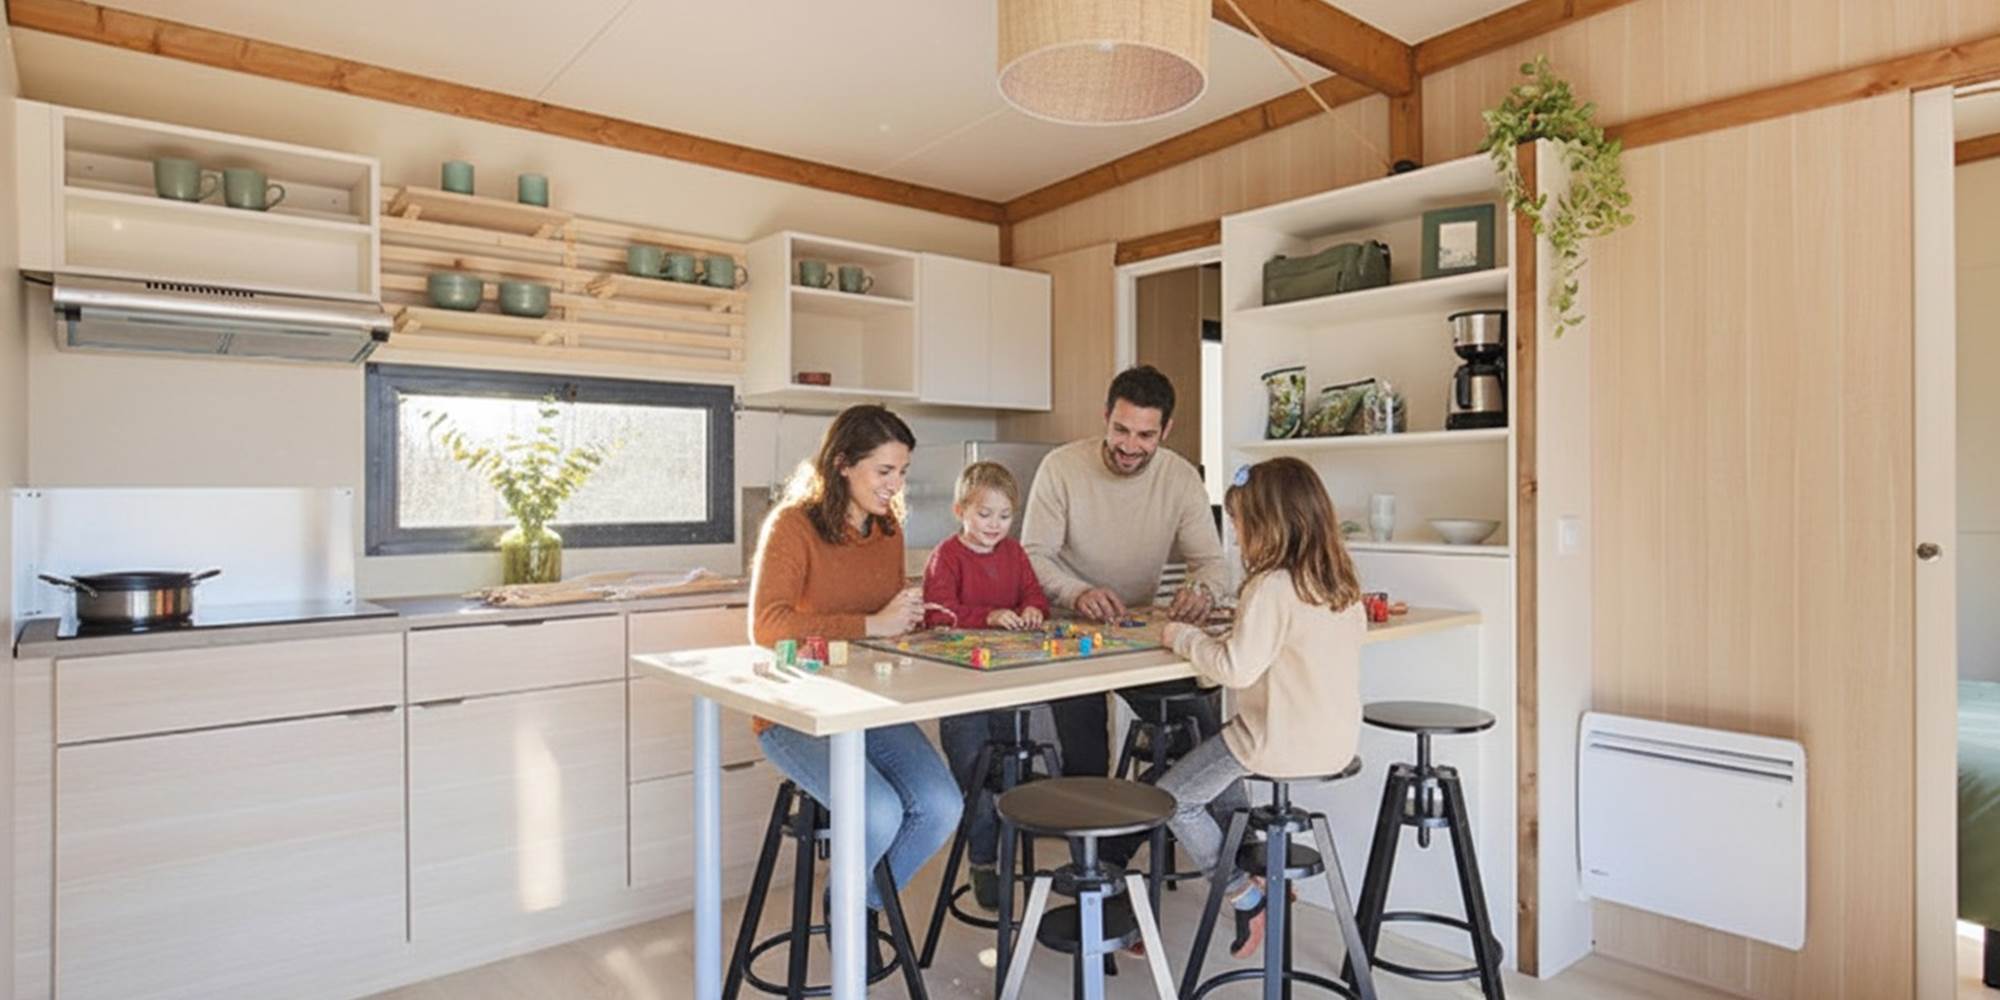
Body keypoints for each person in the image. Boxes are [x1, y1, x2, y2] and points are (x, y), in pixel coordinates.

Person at [748, 404, 961, 909]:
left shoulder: (888, 530)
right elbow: (767, 625)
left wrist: (912, 621)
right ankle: (849, 919)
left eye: (902, 472)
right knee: (878, 812)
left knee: (942, 805)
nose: (896, 485)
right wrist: (872, 624)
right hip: (796, 714)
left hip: (869, 706)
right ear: (842, 464)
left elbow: (885, 623)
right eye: (884, 471)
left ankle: (855, 907)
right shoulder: (792, 525)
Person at [1157, 457, 1366, 958]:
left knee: (1174, 798)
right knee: (1221, 755)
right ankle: (1261, 867)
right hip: (1334, 743)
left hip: (1277, 744)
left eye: (1239, 524)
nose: (1236, 535)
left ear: (1266, 524)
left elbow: (1235, 670)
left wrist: (1181, 637)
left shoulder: (1270, 586)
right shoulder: (1340, 584)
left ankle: (1245, 896)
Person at [1020, 365, 1229, 782]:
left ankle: (1149, 822)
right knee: (1086, 762)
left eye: (1145, 435)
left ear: (1166, 430)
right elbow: (1033, 557)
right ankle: (1096, 821)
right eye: (1121, 430)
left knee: (1200, 741)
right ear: (1106, 417)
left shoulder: (1181, 477)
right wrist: (1078, 593)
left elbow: (1211, 562)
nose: (1130, 446)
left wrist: (1203, 590)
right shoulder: (1060, 467)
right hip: (1069, 634)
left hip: (1138, 633)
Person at [924, 461, 1051, 910]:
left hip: (1008, 684)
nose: (994, 525)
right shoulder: (946, 556)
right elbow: (938, 615)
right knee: (973, 776)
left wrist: (1033, 609)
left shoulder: (1014, 553)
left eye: (1004, 516)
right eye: (984, 515)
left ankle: (1007, 856)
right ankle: (982, 862)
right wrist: (989, 617)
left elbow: (1035, 595)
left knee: (1008, 774)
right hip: (961, 690)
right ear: (960, 510)